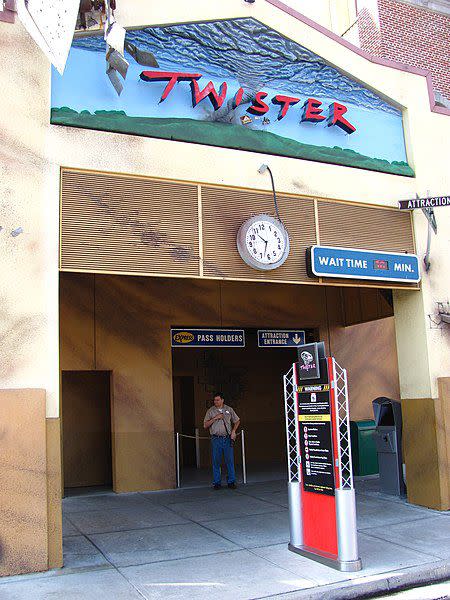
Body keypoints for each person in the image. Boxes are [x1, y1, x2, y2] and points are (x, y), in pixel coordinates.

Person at [203, 392, 240, 490]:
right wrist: (215, 418)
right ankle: (217, 483)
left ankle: (231, 481)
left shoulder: (229, 409)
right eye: (215, 400)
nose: (216, 402)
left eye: (218, 400)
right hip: (216, 439)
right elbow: (205, 425)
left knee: (229, 461)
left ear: (222, 400)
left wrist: (233, 431)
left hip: (227, 438)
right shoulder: (210, 411)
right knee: (216, 461)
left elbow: (237, 421)